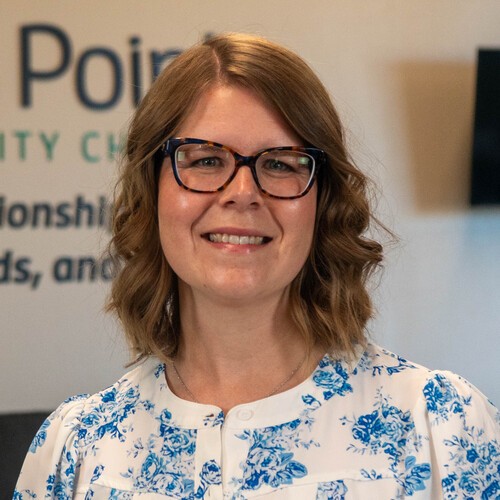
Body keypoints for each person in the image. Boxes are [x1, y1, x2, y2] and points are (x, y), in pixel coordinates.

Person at [15, 33, 499, 499]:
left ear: (323, 202)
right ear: (151, 190)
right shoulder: (76, 449)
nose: (242, 193)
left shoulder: (441, 429)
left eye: (281, 164)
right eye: (206, 160)